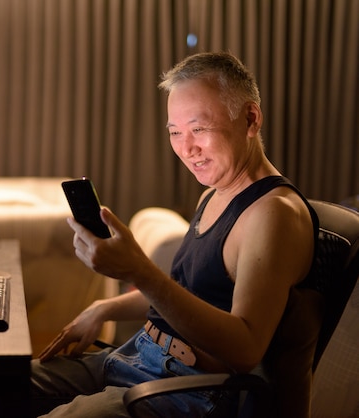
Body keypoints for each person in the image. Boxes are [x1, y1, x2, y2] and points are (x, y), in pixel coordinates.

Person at [30, 51, 319, 417]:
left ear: (250, 119)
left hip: (190, 387)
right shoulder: (213, 193)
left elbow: (246, 348)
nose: (187, 149)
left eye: (199, 129)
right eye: (175, 133)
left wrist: (138, 270)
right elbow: (187, 291)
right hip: (139, 354)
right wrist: (104, 307)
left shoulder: (273, 214)